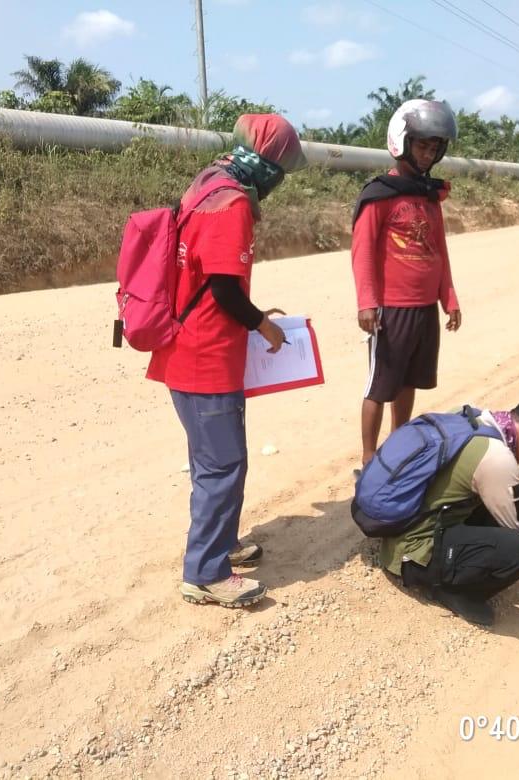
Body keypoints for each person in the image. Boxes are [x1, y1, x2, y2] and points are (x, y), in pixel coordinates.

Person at [148, 114, 307, 608]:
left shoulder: (207, 183)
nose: (279, 179)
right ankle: (205, 573)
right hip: (206, 357)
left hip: (187, 349)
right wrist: (264, 324)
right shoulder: (232, 202)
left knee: (212, 461)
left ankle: (223, 544)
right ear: (264, 164)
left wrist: (256, 315)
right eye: (280, 168)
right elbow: (221, 289)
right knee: (223, 465)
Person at [380, 395, 519, 627]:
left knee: (495, 507)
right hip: (413, 555)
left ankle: (446, 568)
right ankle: (451, 590)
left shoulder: (471, 417)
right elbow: (518, 525)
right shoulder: (497, 458)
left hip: (399, 526)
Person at [351, 99, 462, 469]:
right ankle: (369, 456)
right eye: (422, 145)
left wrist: (449, 298)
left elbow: (439, 251)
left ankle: (398, 447)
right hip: (391, 309)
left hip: (423, 307)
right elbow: (362, 251)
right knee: (380, 384)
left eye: (434, 148)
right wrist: (367, 302)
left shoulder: (430, 196)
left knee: (409, 380)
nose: (428, 154)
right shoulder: (380, 194)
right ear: (402, 142)